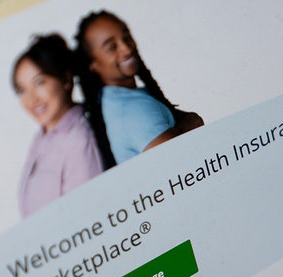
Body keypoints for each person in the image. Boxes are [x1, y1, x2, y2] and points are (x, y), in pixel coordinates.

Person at [74, 10, 204, 166]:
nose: (126, 49)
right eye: (112, 47)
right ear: (92, 64)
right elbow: (185, 163)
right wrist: (193, 121)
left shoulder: (111, 101)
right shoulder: (133, 108)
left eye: (126, 37)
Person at [13, 34, 104, 218]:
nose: (31, 99)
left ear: (66, 79)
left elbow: (88, 219)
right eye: (22, 90)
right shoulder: (42, 136)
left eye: (39, 82)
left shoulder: (79, 140)